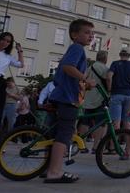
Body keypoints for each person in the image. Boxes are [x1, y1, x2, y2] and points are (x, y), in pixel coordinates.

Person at [44, 19, 95, 183]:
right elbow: (67, 67)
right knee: (64, 135)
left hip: (61, 95)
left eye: (92, 33)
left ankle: (47, 168)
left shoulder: (74, 49)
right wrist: (85, 79)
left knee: (53, 134)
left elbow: (65, 74)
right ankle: (55, 172)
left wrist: (83, 85)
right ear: (74, 34)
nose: (91, 36)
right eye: (87, 32)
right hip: (67, 98)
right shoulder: (77, 48)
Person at [78, 50, 109, 153]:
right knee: (101, 124)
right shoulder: (106, 69)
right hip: (100, 99)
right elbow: (109, 81)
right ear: (105, 58)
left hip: (88, 99)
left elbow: (83, 80)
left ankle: (82, 146)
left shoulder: (90, 68)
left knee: (85, 122)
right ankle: (96, 147)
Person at [107, 49, 130, 134]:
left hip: (116, 94)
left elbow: (109, 77)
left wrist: (109, 90)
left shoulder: (115, 64)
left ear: (120, 55)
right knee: (127, 122)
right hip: (129, 95)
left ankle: (113, 146)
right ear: (129, 55)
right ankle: (128, 147)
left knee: (116, 121)